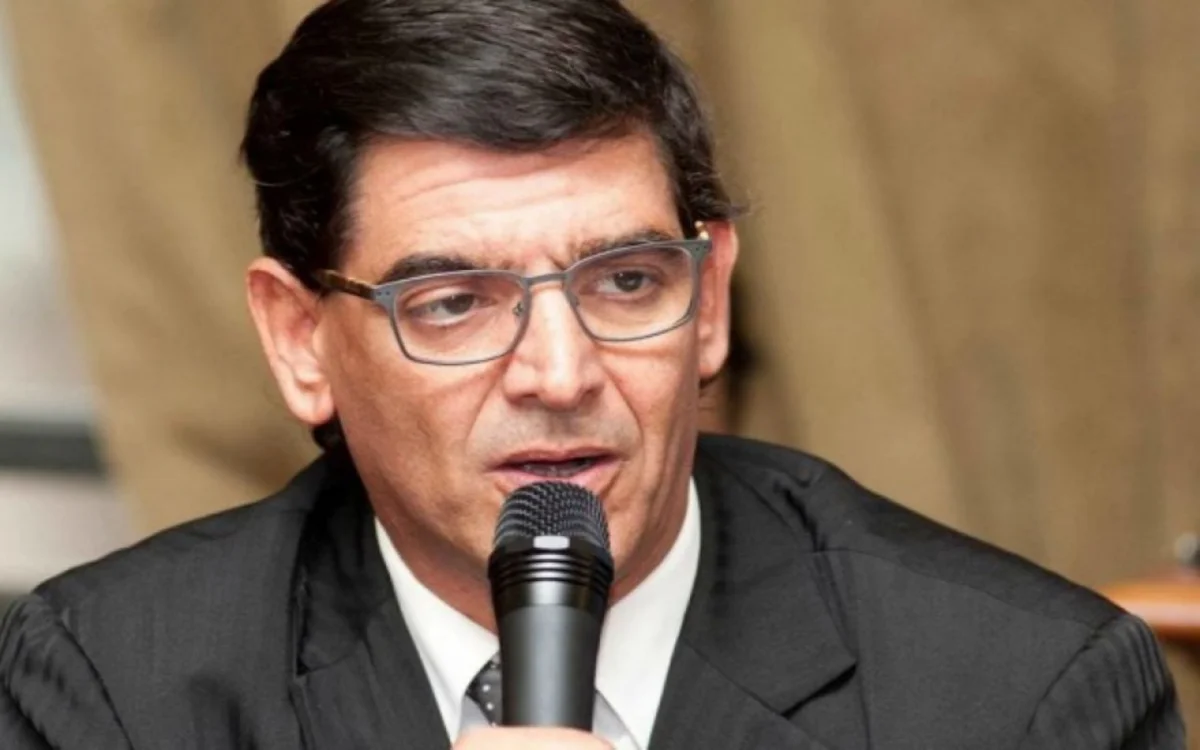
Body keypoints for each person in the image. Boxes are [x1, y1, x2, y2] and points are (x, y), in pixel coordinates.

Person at [0, 0, 1185, 747]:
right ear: (300, 341)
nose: (561, 374)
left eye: (625, 282)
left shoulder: (1020, 695)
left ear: (708, 300)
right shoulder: (118, 687)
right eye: (453, 303)